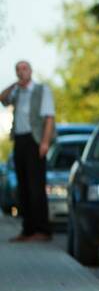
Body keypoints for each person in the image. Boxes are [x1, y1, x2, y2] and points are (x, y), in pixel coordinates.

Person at [0, 60, 55, 241]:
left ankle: (42, 230)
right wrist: (16, 84)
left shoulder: (41, 90)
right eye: (18, 70)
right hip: (20, 140)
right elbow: (2, 98)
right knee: (23, 186)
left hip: (35, 140)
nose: (21, 72)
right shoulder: (17, 92)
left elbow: (48, 118)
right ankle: (28, 229)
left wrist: (45, 142)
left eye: (24, 69)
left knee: (36, 187)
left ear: (31, 71)